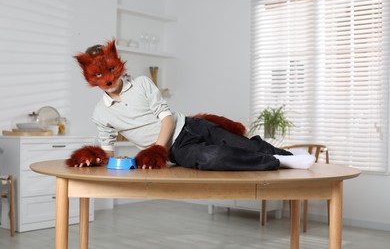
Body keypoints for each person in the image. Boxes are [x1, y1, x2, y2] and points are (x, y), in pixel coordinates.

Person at [68, 40, 314, 170]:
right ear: (89, 76)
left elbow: (166, 118)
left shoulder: (142, 83)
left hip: (190, 125)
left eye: (111, 70)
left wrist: (157, 149)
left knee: (242, 143)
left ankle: (288, 156)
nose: (109, 79)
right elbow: (108, 149)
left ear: (119, 65)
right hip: (177, 148)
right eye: (100, 75)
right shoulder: (101, 113)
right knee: (211, 158)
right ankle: (277, 162)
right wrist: (93, 158)